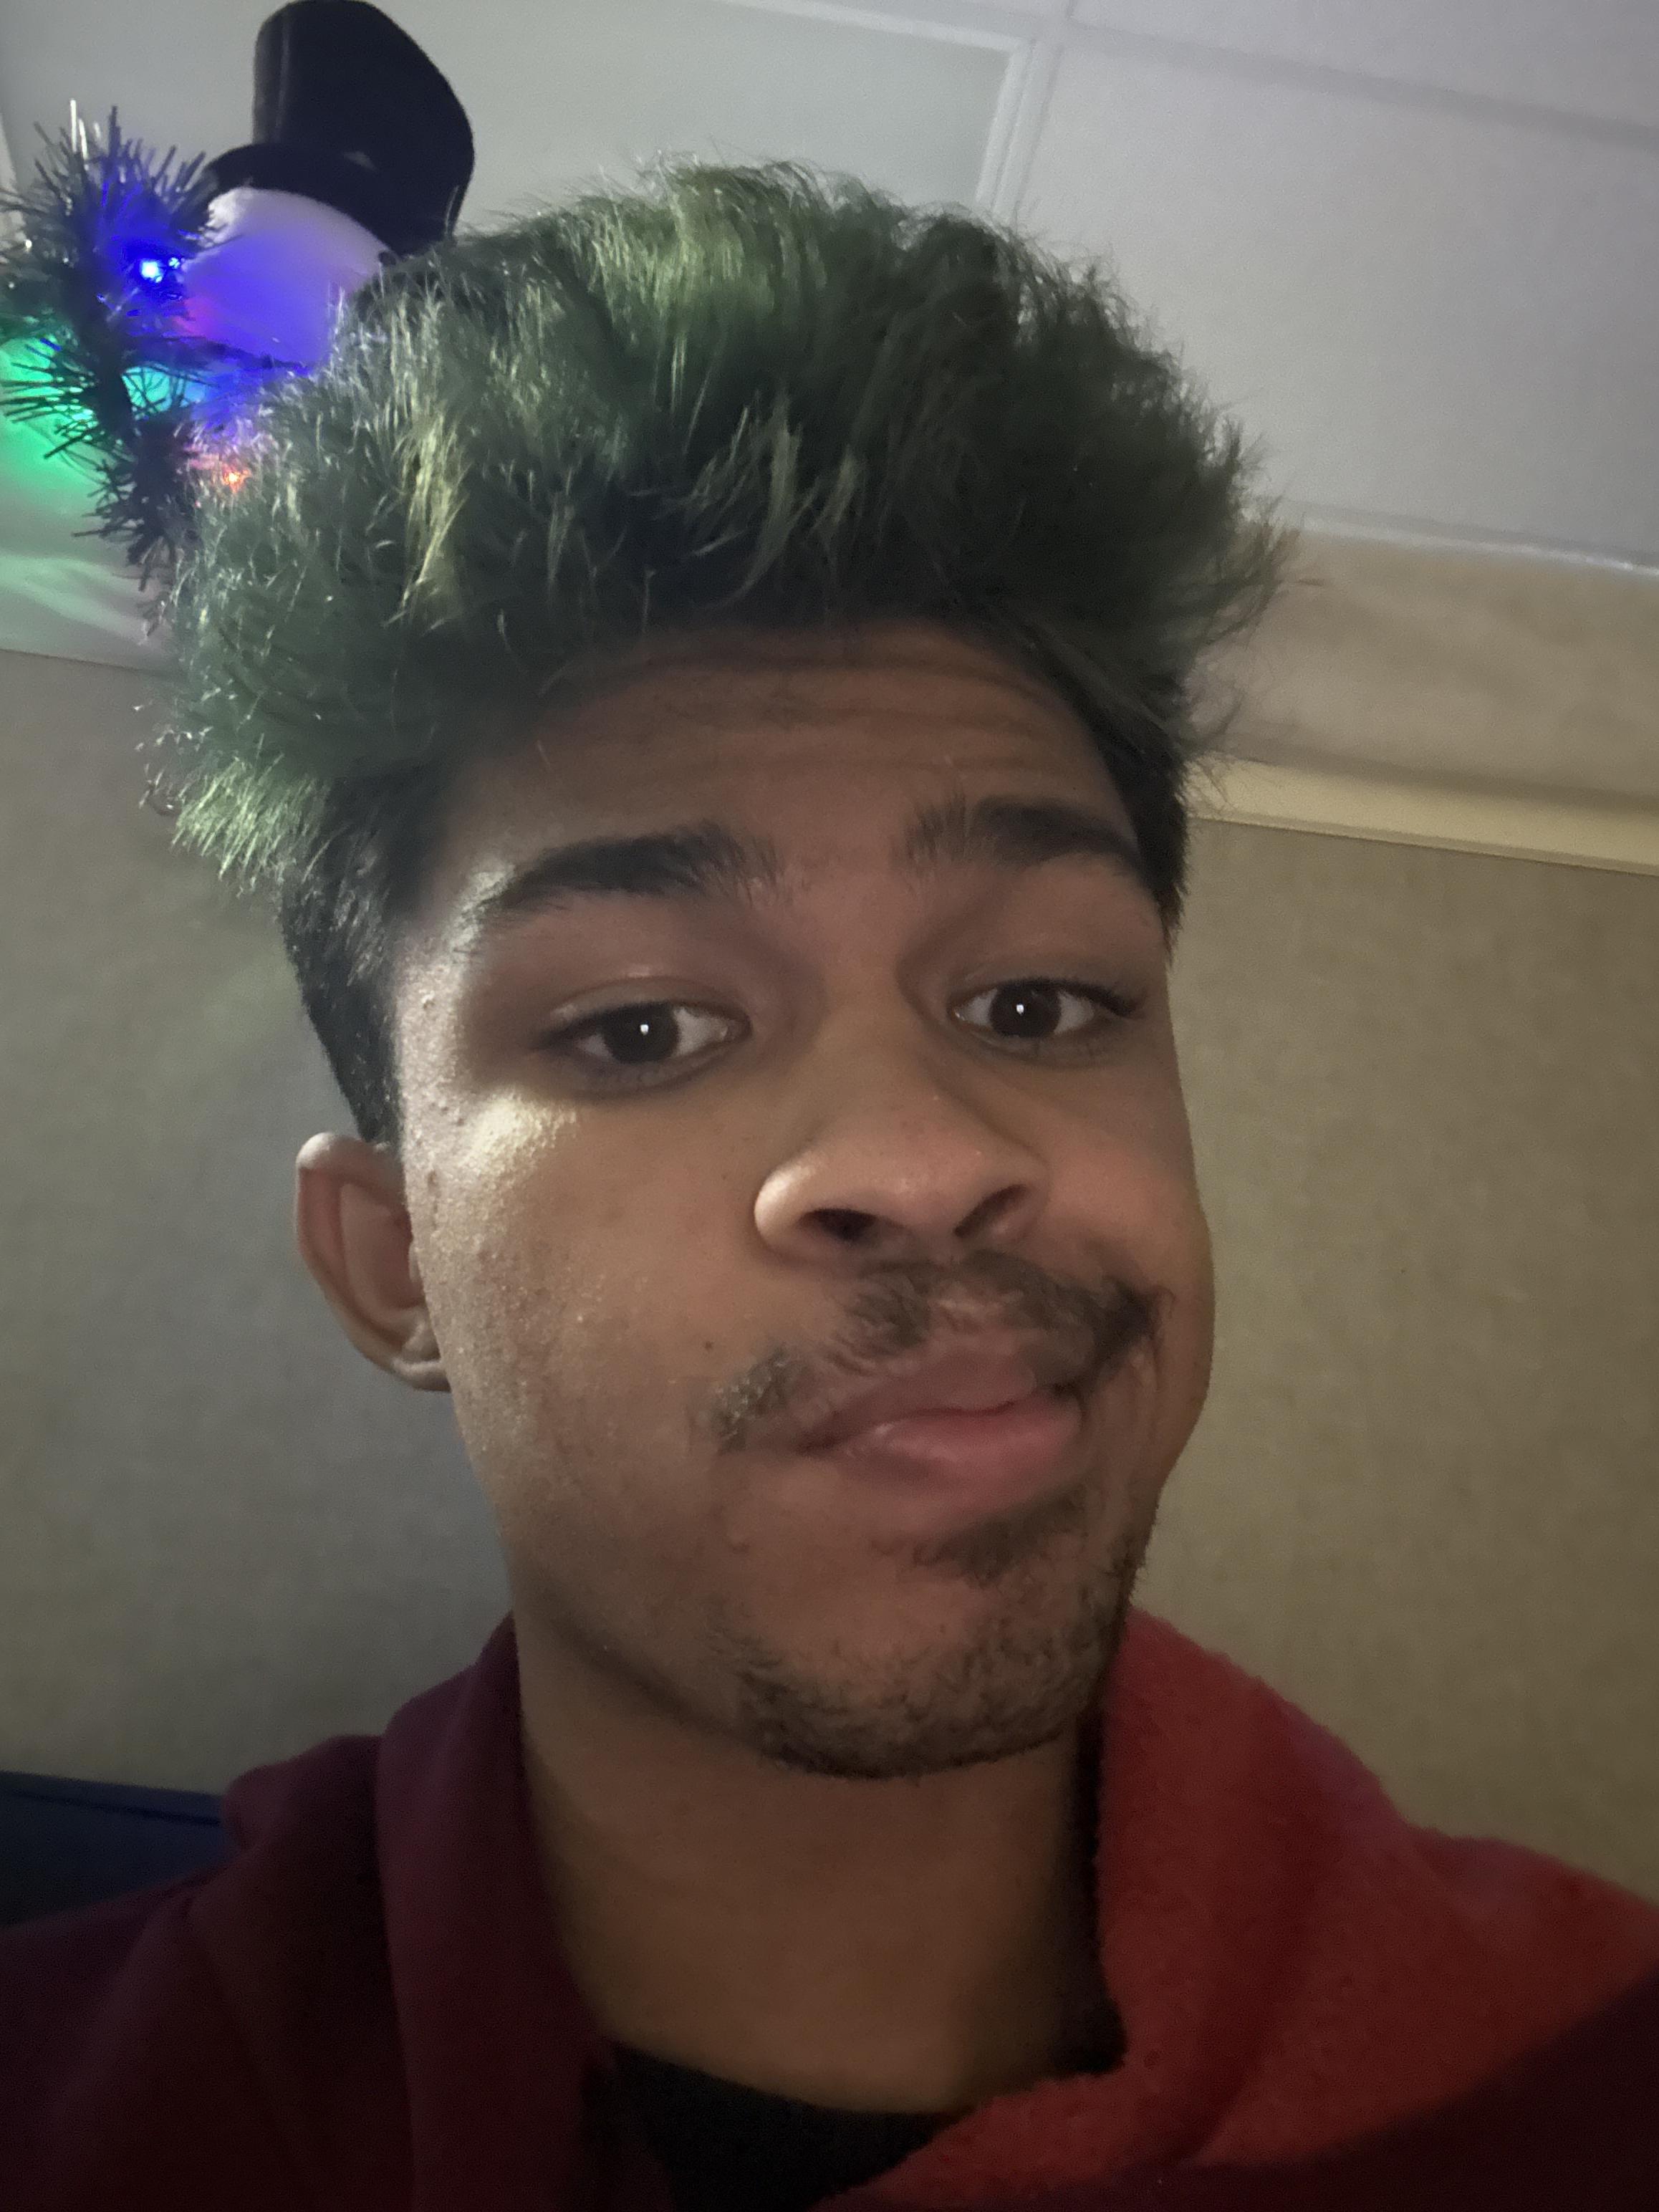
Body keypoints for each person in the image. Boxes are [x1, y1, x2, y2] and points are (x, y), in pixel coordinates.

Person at [3, 160, 1655, 2212]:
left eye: (1038, 1003)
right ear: (394, 1263)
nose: (928, 1158)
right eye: (640, 1029)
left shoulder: (1597, 2085)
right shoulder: (81, 2111)